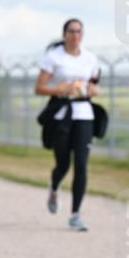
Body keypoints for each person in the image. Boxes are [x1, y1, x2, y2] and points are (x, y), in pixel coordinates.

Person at [34, 18, 101, 232]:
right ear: (64, 34)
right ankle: (54, 187)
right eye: (71, 31)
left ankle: (75, 214)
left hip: (84, 114)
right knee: (63, 164)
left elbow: (93, 84)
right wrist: (60, 88)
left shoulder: (90, 58)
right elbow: (40, 88)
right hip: (62, 114)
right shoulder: (54, 57)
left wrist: (92, 90)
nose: (75, 35)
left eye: (79, 31)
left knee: (81, 163)